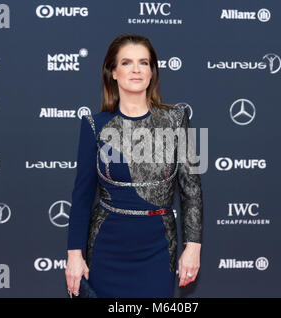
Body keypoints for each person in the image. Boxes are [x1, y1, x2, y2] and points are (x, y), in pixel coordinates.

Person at [65, 34, 203, 298]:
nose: (137, 69)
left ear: (152, 73)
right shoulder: (94, 124)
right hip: (106, 246)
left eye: (144, 62)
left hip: (158, 247)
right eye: (127, 62)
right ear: (113, 72)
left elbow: (192, 189)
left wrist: (193, 246)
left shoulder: (177, 119)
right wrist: (74, 256)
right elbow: (81, 196)